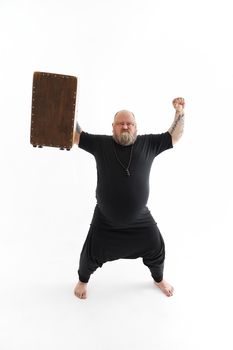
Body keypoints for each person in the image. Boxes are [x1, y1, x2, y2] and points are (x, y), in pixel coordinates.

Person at [73, 97, 185, 299]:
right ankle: (82, 281)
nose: (125, 126)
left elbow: (174, 137)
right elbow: (76, 136)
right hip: (105, 220)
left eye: (129, 123)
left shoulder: (148, 143)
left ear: (135, 127)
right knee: (89, 254)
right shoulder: (101, 144)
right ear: (113, 127)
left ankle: (158, 279)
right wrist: (69, 109)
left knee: (157, 248)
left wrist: (179, 113)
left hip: (139, 220)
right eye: (120, 123)